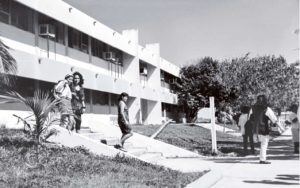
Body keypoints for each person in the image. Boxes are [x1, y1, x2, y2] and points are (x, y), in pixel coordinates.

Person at [249, 94, 284, 164]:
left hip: (255, 129)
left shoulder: (252, 108)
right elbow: (274, 119)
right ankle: (262, 159)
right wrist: (281, 128)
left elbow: (250, 118)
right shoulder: (267, 109)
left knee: (260, 143)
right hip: (263, 129)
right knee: (264, 144)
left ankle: (261, 158)